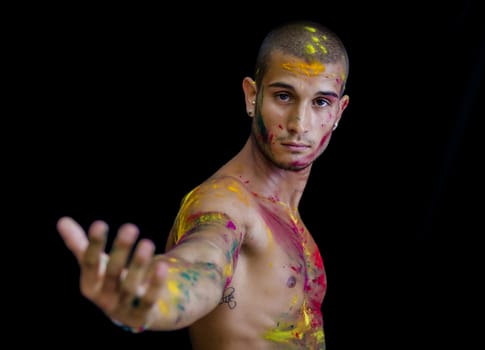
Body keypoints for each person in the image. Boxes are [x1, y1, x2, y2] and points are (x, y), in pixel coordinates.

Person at [56, 19, 349, 349]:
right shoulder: (224, 202)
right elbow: (203, 259)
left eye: (321, 102)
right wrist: (154, 299)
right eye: (283, 96)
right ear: (252, 96)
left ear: (339, 111)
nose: (299, 123)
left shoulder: (288, 217)